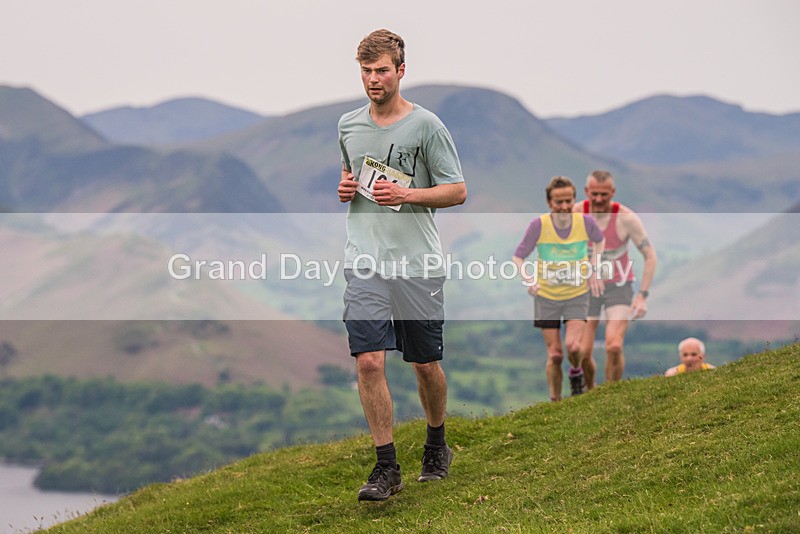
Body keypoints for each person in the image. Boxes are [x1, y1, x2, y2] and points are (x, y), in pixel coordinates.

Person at [337, 29, 467, 502]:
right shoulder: (348, 125)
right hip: (365, 261)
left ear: (401, 71)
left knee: (426, 364)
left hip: (417, 264)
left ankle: (436, 444)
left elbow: (457, 190)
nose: (373, 79)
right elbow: (351, 176)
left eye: (382, 70)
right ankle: (385, 467)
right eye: (366, 71)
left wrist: (408, 194)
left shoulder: (427, 126)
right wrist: (346, 189)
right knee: (369, 360)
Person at [512, 176, 605, 402]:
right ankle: (555, 401)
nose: (564, 206)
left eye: (568, 201)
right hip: (546, 297)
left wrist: (594, 269)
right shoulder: (539, 225)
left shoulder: (586, 223)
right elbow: (518, 258)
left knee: (574, 347)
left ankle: (575, 373)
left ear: (574, 200)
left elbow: (599, 241)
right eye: (558, 202)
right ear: (549, 202)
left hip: (577, 294)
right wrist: (529, 280)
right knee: (554, 355)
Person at [574, 170, 658, 389]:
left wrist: (642, 296)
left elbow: (650, 256)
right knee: (582, 352)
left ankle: (612, 393)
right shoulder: (576, 213)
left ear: (613, 192)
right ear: (586, 192)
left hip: (618, 286)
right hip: (586, 287)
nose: (599, 199)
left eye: (605, 194)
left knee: (613, 346)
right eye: (594, 194)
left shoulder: (626, 218)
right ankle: (591, 392)